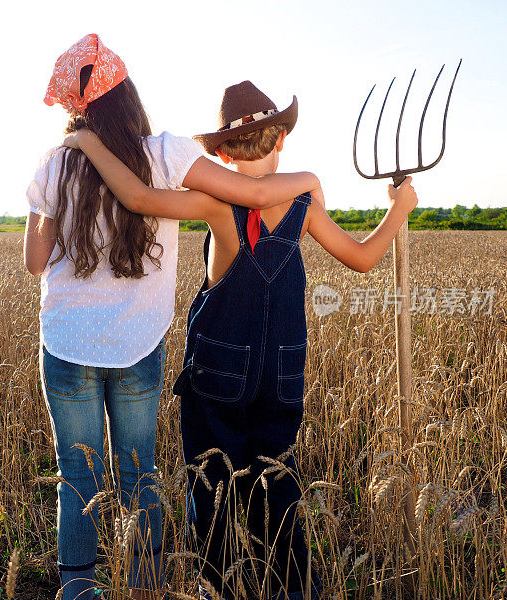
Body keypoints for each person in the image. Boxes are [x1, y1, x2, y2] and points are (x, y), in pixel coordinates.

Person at [63, 80, 419, 600]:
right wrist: (399, 209)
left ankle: (218, 587)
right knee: (279, 482)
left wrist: (89, 144)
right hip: (282, 374)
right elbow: (362, 258)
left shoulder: (213, 203)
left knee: (212, 487)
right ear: (280, 142)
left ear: (224, 154)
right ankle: (291, 588)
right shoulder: (302, 207)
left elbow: (137, 197)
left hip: (217, 375)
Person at [24, 37, 320, 600]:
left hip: (66, 342)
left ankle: (79, 588)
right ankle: (148, 581)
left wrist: (50, 200)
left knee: (75, 473)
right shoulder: (166, 152)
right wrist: (305, 181)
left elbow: (35, 262)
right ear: (130, 95)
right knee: (141, 472)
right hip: (138, 343)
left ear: (75, 109)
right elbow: (248, 192)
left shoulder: (57, 163)